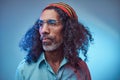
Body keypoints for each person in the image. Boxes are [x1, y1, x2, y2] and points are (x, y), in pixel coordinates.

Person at [15, 2, 93, 80]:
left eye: (52, 23)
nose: (44, 30)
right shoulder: (24, 69)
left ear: (68, 29)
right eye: (41, 24)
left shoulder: (81, 68)